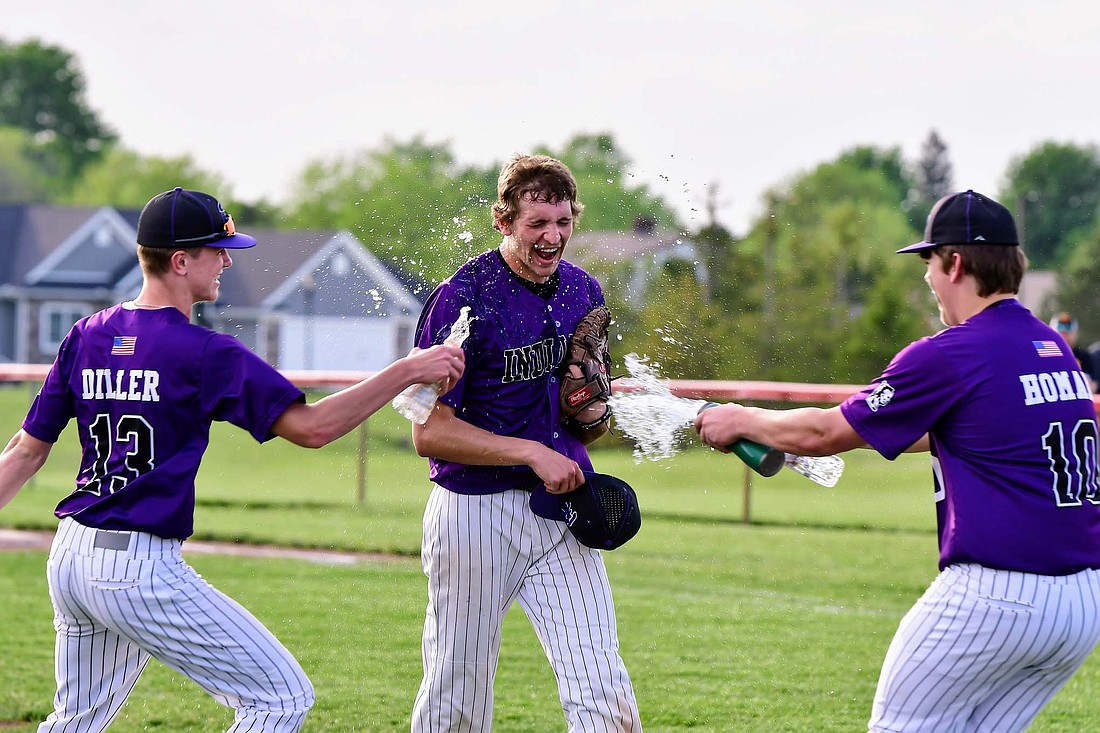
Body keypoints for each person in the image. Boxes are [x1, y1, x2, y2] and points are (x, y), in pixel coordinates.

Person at [0, 187, 465, 733]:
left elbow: (25, 450)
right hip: (135, 566)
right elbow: (313, 429)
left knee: (75, 722)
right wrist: (406, 370)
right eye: (216, 249)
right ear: (180, 260)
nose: (226, 259)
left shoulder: (87, 335)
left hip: (71, 556)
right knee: (281, 698)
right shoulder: (204, 351)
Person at [695, 190, 1100, 733]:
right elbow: (960, 433)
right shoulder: (1051, 344)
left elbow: (827, 430)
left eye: (930, 263)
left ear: (955, 263)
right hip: (1081, 604)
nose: (928, 278)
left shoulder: (948, 352)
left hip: (997, 595)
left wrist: (743, 420)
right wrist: (788, 437)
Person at [407, 155, 642, 732]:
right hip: (473, 512)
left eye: (562, 221)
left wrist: (591, 409)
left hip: (564, 511)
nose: (552, 236)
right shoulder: (463, 296)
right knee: (456, 693)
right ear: (504, 221)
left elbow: (589, 419)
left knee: (602, 685)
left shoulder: (584, 290)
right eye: (537, 222)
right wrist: (531, 451)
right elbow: (428, 430)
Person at [1050, 311, 1096, 392]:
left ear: (1075, 334)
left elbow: (1093, 385)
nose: (1064, 337)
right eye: (1061, 333)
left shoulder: (1084, 357)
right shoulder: (1046, 355)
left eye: (1067, 333)